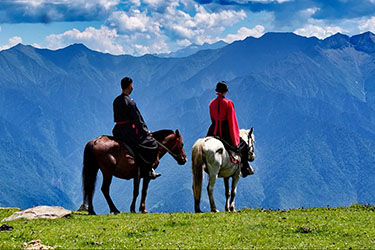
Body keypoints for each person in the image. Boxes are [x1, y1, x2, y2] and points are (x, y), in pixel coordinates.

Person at [112, 77, 161, 179]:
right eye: (132, 85)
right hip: (128, 131)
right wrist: (145, 131)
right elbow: (137, 119)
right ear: (130, 86)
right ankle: (148, 170)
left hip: (117, 130)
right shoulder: (130, 102)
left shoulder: (116, 100)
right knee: (152, 144)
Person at [206, 81, 251, 172]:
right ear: (225, 91)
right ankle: (245, 168)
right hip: (225, 130)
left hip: (213, 130)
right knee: (244, 146)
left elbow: (212, 118)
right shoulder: (229, 103)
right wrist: (235, 139)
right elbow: (232, 121)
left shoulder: (211, 103)